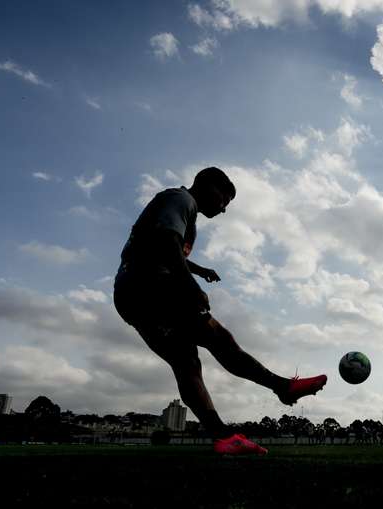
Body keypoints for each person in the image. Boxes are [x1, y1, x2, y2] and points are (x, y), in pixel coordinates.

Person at [113, 167, 327, 455]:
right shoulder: (181, 199)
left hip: (130, 293)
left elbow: (152, 245)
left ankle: (224, 437)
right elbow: (166, 242)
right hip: (150, 285)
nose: (225, 208)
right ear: (207, 185)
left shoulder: (180, 208)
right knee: (218, 337)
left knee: (186, 361)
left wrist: (197, 269)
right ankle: (282, 387)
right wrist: (189, 285)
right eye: (225, 199)